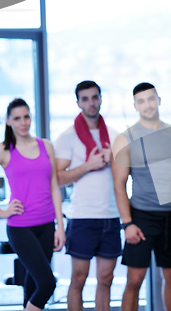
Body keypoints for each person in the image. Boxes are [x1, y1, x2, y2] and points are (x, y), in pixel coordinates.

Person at [111, 82, 171, 311]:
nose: (147, 105)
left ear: (158, 100)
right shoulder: (125, 138)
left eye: (150, 99)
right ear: (135, 106)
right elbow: (119, 184)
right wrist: (127, 223)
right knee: (135, 280)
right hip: (140, 216)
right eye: (141, 101)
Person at [0, 98, 65, 311]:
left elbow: (54, 186)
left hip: (47, 226)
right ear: (8, 121)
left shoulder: (46, 146)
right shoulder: (4, 150)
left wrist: (60, 226)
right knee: (47, 284)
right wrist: (1, 212)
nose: (23, 122)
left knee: (33, 285)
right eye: (17, 118)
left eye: (26, 116)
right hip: (20, 228)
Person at [55, 81, 121, 311]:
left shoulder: (113, 135)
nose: (91, 103)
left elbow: (126, 175)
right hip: (82, 217)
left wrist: (113, 159)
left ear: (101, 98)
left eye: (95, 97)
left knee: (106, 279)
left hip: (111, 216)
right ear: (78, 103)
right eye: (85, 99)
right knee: (79, 279)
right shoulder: (67, 136)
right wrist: (88, 165)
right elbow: (58, 178)